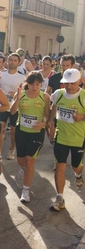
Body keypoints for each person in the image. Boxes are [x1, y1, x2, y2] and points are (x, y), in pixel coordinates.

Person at [10, 72, 50, 203]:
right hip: (21, 131)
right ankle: (22, 168)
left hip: (37, 133)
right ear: (28, 83)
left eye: (38, 84)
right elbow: (12, 111)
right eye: (32, 84)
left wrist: (43, 123)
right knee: (21, 161)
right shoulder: (21, 94)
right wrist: (17, 98)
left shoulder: (45, 97)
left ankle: (25, 190)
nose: (35, 87)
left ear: (41, 84)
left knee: (29, 161)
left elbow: (48, 117)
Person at [48, 69, 85, 211]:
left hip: (78, 139)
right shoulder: (58, 94)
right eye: (66, 83)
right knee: (59, 167)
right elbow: (54, 107)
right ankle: (60, 198)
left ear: (80, 81)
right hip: (61, 137)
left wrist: (82, 117)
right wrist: (51, 119)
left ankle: (78, 175)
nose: (69, 87)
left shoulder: (83, 97)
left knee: (76, 166)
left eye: (72, 83)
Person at [0, 53, 26, 161]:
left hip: (15, 108)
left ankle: (12, 149)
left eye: (15, 60)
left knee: (13, 131)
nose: (12, 62)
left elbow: (25, 93)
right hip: (2, 107)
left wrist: (17, 95)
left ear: (18, 63)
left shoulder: (22, 77)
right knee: (0, 130)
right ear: (7, 61)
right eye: (10, 60)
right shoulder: (0, 74)